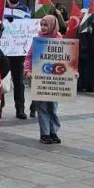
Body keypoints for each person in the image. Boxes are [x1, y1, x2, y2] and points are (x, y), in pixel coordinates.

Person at [25, 15, 63, 144]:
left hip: (55, 80)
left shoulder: (60, 39)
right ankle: (45, 133)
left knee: (53, 107)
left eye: (45, 25)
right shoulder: (38, 40)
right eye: (41, 25)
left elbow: (67, 59)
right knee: (42, 107)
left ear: (52, 25)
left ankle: (53, 132)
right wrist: (28, 70)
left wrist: (73, 73)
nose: (43, 27)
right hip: (40, 78)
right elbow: (29, 57)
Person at [3, 0, 31, 120]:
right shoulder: (1, 8)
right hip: (3, 51)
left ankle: (20, 109)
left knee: (19, 81)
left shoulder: (25, 9)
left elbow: (28, 27)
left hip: (19, 51)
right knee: (1, 80)